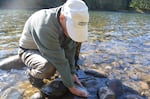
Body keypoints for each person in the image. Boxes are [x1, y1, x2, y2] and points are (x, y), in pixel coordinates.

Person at [18, 0, 89, 97]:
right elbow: (60, 61)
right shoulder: (45, 25)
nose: (73, 33)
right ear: (62, 18)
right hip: (29, 50)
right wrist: (71, 87)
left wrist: (72, 72)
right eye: (72, 29)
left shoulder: (68, 19)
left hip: (51, 46)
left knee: (75, 42)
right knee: (48, 66)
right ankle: (32, 74)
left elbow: (70, 49)